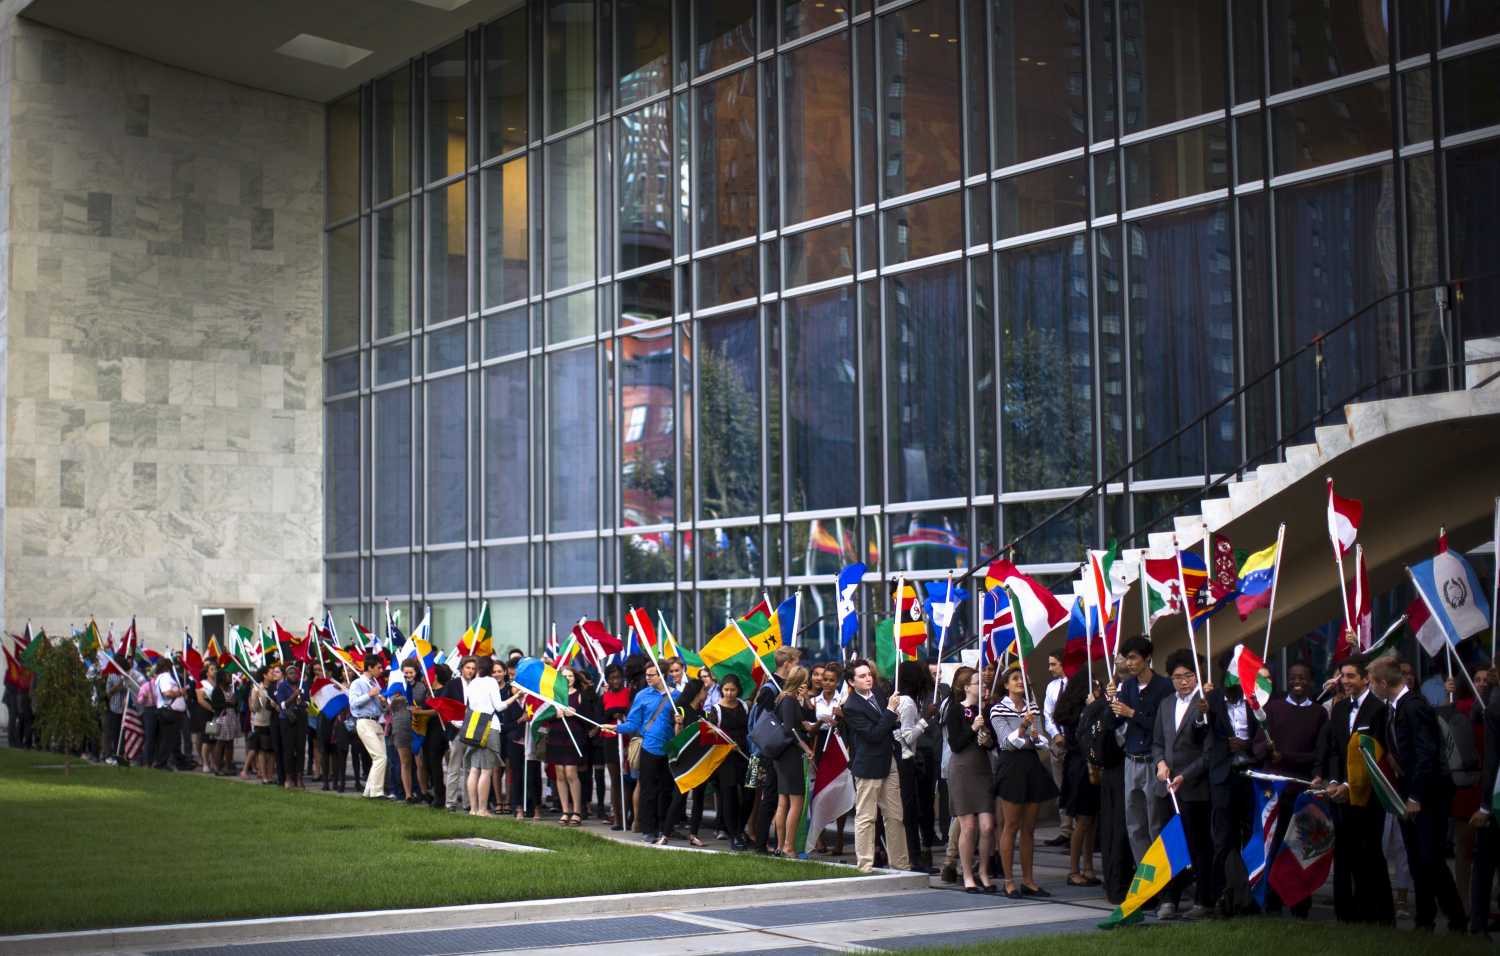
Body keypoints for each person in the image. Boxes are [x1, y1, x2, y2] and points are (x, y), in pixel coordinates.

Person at [1368, 656, 1467, 932]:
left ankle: (1457, 918)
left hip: (1427, 795)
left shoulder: (1415, 707)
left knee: (1430, 857)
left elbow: (1427, 755)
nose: (1371, 687)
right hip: (1407, 793)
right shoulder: (1392, 707)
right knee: (1416, 858)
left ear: (1384, 683)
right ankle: (1425, 919)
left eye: (1373, 682)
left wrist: (1416, 797)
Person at [1314, 656, 1394, 924]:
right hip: (1341, 796)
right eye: (1342, 676)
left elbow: (1377, 755)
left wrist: (1351, 785)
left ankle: (1377, 915)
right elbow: (1335, 750)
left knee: (1369, 852)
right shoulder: (1338, 709)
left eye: (1350, 676)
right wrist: (1335, 782)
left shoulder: (1379, 708)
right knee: (1344, 853)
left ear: (1365, 679)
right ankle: (1345, 915)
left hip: (1369, 796)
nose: (1345, 682)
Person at [1151, 649, 1228, 921]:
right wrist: (1160, 764)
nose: (1183, 682)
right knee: (1171, 845)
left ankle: (1203, 900)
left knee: (1199, 846)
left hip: (1195, 788)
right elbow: (1158, 742)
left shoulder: (1206, 703)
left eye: (1188, 676)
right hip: (1167, 787)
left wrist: (1186, 775)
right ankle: (1169, 899)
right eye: (1177, 677)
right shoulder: (1166, 704)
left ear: (1197, 676)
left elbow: (1209, 752)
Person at [1259, 661, 1327, 917]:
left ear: (1311, 681)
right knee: (1275, 847)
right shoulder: (1273, 709)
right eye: (1293, 677)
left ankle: (1300, 904)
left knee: (1300, 848)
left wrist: (1286, 757)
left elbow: (1317, 754)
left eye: (1303, 677)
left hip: (1303, 791)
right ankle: (1272, 902)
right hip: (1276, 792)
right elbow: (1260, 745)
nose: (1297, 681)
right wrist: (1268, 752)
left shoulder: (1319, 713)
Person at [991, 664, 1056, 898]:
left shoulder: (1032, 706)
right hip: (1011, 767)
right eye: (1015, 678)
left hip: (1031, 764)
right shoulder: (997, 709)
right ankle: (1009, 881)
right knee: (1011, 825)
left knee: (1029, 828)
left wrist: (1034, 736)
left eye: (1022, 679)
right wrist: (1024, 728)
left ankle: (1029, 880)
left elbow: (1040, 741)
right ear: (1006, 684)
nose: (1020, 682)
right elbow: (1006, 742)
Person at [1111, 635, 1174, 865]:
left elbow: (1161, 727)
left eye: (1133, 658)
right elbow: (1115, 723)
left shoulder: (1164, 687)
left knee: (1155, 823)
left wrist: (1131, 714)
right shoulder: (1127, 686)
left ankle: (1164, 881)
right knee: (1135, 825)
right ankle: (1145, 881)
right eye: (1126, 658)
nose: (1129, 663)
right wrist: (1110, 705)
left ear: (1147, 659)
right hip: (1131, 760)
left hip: (1153, 762)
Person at [843, 659, 910, 873]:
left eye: (868, 674)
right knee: (866, 816)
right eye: (862, 676)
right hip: (868, 765)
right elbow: (872, 735)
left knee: (895, 815)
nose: (868, 678)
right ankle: (864, 864)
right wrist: (890, 712)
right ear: (851, 682)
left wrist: (894, 716)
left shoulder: (879, 694)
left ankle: (900, 863)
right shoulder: (851, 706)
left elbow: (888, 725)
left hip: (888, 759)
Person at [609, 662, 678, 844]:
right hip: (649, 748)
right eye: (646, 675)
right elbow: (633, 723)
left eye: (652, 675)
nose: (648, 678)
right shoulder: (641, 696)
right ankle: (648, 829)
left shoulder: (676, 696)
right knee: (648, 791)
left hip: (671, 750)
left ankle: (665, 828)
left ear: (663, 675)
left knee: (667, 791)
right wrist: (616, 728)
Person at [945, 666, 995, 893]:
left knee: (987, 826)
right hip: (963, 769)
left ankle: (983, 871)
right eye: (977, 683)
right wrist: (973, 727)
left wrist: (987, 739)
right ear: (967, 687)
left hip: (982, 768)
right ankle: (967, 875)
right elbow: (956, 743)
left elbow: (992, 742)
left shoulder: (985, 709)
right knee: (969, 825)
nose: (982, 686)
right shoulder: (956, 710)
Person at [1054, 670, 1100, 888]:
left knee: (1091, 820)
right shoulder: (1079, 712)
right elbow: (1084, 733)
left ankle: (1088, 866)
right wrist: (1092, 708)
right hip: (1081, 766)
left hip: (1083, 764)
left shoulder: (1081, 708)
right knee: (1082, 820)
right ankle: (1074, 869)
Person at [465, 656, 521, 816]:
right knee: (486, 770)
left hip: (474, 725)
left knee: (474, 769)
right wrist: (516, 697)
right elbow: (499, 706)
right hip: (490, 726)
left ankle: (474, 809)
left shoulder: (472, 683)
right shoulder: (490, 682)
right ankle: (482, 809)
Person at [770, 667, 815, 856]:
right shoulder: (788, 699)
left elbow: (801, 721)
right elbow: (789, 729)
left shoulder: (783, 697)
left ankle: (781, 846)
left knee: (783, 802)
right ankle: (788, 846)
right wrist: (805, 746)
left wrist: (805, 703)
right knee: (796, 802)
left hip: (782, 755)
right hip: (790, 755)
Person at [894, 661, 933, 871]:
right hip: (905, 760)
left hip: (902, 759)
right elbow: (908, 736)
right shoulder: (907, 702)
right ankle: (914, 858)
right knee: (909, 810)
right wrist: (925, 719)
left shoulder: (900, 699)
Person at [1470, 679, 1499, 936]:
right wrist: (1486, 805)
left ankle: (1479, 922)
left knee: (1485, 863)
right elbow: (1491, 759)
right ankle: (1478, 923)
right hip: (1495, 796)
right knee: (1485, 862)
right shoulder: (1494, 706)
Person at [710, 673, 752, 850]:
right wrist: (726, 744)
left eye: (732, 690)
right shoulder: (716, 709)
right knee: (728, 796)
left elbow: (750, 728)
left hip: (745, 756)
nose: (729, 693)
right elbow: (709, 736)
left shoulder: (744, 706)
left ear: (738, 690)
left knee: (749, 794)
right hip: (725, 758)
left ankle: (741, 829)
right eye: (726, 690)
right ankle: (734, 835)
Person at [546, 666, 590, 826]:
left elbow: (588, 718)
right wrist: (554, 714)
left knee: (571, 773)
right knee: (560, 774)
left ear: (575, 678)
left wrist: (575, 712)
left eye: (570, 676)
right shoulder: (554, 696)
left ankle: (577, 811)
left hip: (574, 737)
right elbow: (545, 715)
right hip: (557, 737)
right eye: (564, 676)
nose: (568, 679)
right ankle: (565, 811)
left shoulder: (580, 694)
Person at [1042, 653, 1072, 847]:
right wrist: (1056, 734)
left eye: (1053, 664)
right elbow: (1047, 714)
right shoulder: (1051, 687)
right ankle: (1066, 829)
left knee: (1076, 786)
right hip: (1058, 743)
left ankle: (1080, 830)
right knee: (1061, 787)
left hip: (1076, 743)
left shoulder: (1079, 683)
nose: (1050, 668)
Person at [349, 657, 390, 799]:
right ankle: (377, 792)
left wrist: (383, 703)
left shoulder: (375, 683)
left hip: (377, 721)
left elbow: (379, 708)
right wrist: (369, 694)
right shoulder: (357, 683)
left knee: (379, 758)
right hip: (364, 721)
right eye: (378, 667)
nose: (381, 670)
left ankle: (368, 791)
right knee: (380, 757)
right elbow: (353, 703)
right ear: (370, 668)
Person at [441, 656, 477, 811]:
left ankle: (468, 802)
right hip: (457, 730)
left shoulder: (478, 685)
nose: (471, 671)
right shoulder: (452, 684)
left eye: (473, 669)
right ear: (462, 668)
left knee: (470, 768)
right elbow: (443, 704)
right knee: (454, 767)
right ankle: (451, 802)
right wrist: (452, 721)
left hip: (474, 729)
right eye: (468, 668)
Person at [600, 664, 632, 830]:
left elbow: (632, 713)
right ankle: (617, 817)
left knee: (626, 779)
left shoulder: (628, 693)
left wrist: (623, 714)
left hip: (626, 738)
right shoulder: (605, 696)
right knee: (615, 780)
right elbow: (601, 718)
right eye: (612, 678)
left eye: (618, 677)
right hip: (610, 740)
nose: (616, 681)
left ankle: (628, 816)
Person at [390, 663, 419, 802]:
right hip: (401, 728)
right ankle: (408, 794)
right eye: (405, 672)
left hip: (418, 726)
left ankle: (420, 790)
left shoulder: (421, 686)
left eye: (411, 672)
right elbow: (388, 708)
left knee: (419, 763)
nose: (408, 675)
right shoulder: (396, 687)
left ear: (416, 672)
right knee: (405, 762)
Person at [151, 659, 187, 770]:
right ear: (167, 667)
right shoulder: (165, 677)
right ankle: (161, 763)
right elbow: (167, 693)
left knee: (173, 739)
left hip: (168, 711)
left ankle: (178, 762)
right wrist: (180, 692)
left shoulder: (160, 678)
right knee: (168, 739)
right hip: (169, 712)